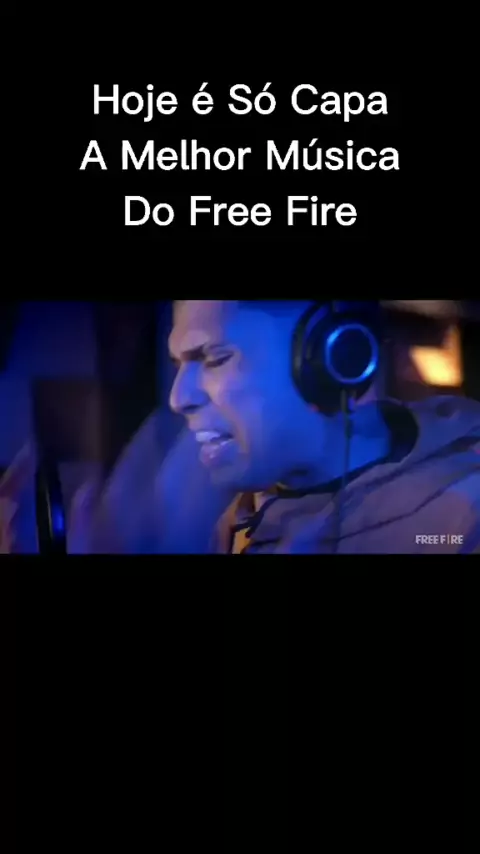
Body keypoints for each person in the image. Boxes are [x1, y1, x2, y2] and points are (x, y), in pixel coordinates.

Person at [47, 298, 480, 554]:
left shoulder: (462, 521)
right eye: (179, 365)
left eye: (216, 358)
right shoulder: (242, 517)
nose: (179, 398)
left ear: (335, 359)